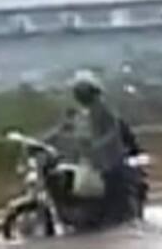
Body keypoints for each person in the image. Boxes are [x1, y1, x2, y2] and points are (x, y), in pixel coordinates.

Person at [59, 70, 138, 224]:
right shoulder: (84, 111)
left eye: (80, 92)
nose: (78, 96)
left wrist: (98, 144)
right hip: (94, 158)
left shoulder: (102, 108)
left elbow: (113, 131)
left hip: (109, 158)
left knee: (110, 189)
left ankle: (114, 219)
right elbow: (68, 129)